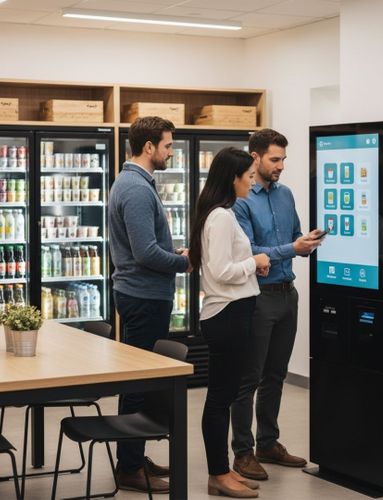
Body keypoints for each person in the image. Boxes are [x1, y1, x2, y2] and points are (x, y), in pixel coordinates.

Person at [231, 129, 324, 480]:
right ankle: (242, 452)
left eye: (284, 159)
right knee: (249, 377)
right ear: (254, 158)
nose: (281, 166)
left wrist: (308, 241)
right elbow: (248, 252)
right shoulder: (239, 200)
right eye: (275, 159)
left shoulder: (286, 195)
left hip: (288, 294)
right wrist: (291, 249)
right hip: (257, 297)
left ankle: (267, 443)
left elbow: (293, 236)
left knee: (276, 375)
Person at [109, 116, 191, 494]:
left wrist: (171, 254)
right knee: (140, 384)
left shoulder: (132, 183)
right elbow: (145, 254)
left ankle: (133, 456)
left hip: (138, 293)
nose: (171, 152)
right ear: (149, 147)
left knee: (136, 381)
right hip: (144, 296)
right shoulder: (138, 189)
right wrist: (184, 262)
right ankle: (129, 468)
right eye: (169, 146)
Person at [189, 147, 270, 498]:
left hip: (231, 313)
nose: (252, 183)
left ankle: (222, 471)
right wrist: (255, 261)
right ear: (233, 178)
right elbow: (221, 271)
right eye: (249, 177)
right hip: (228, 315)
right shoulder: (221, 216)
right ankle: (218, 474)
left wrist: (251, 261)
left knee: (223, 395)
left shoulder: (219, 213)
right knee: (221, 398)